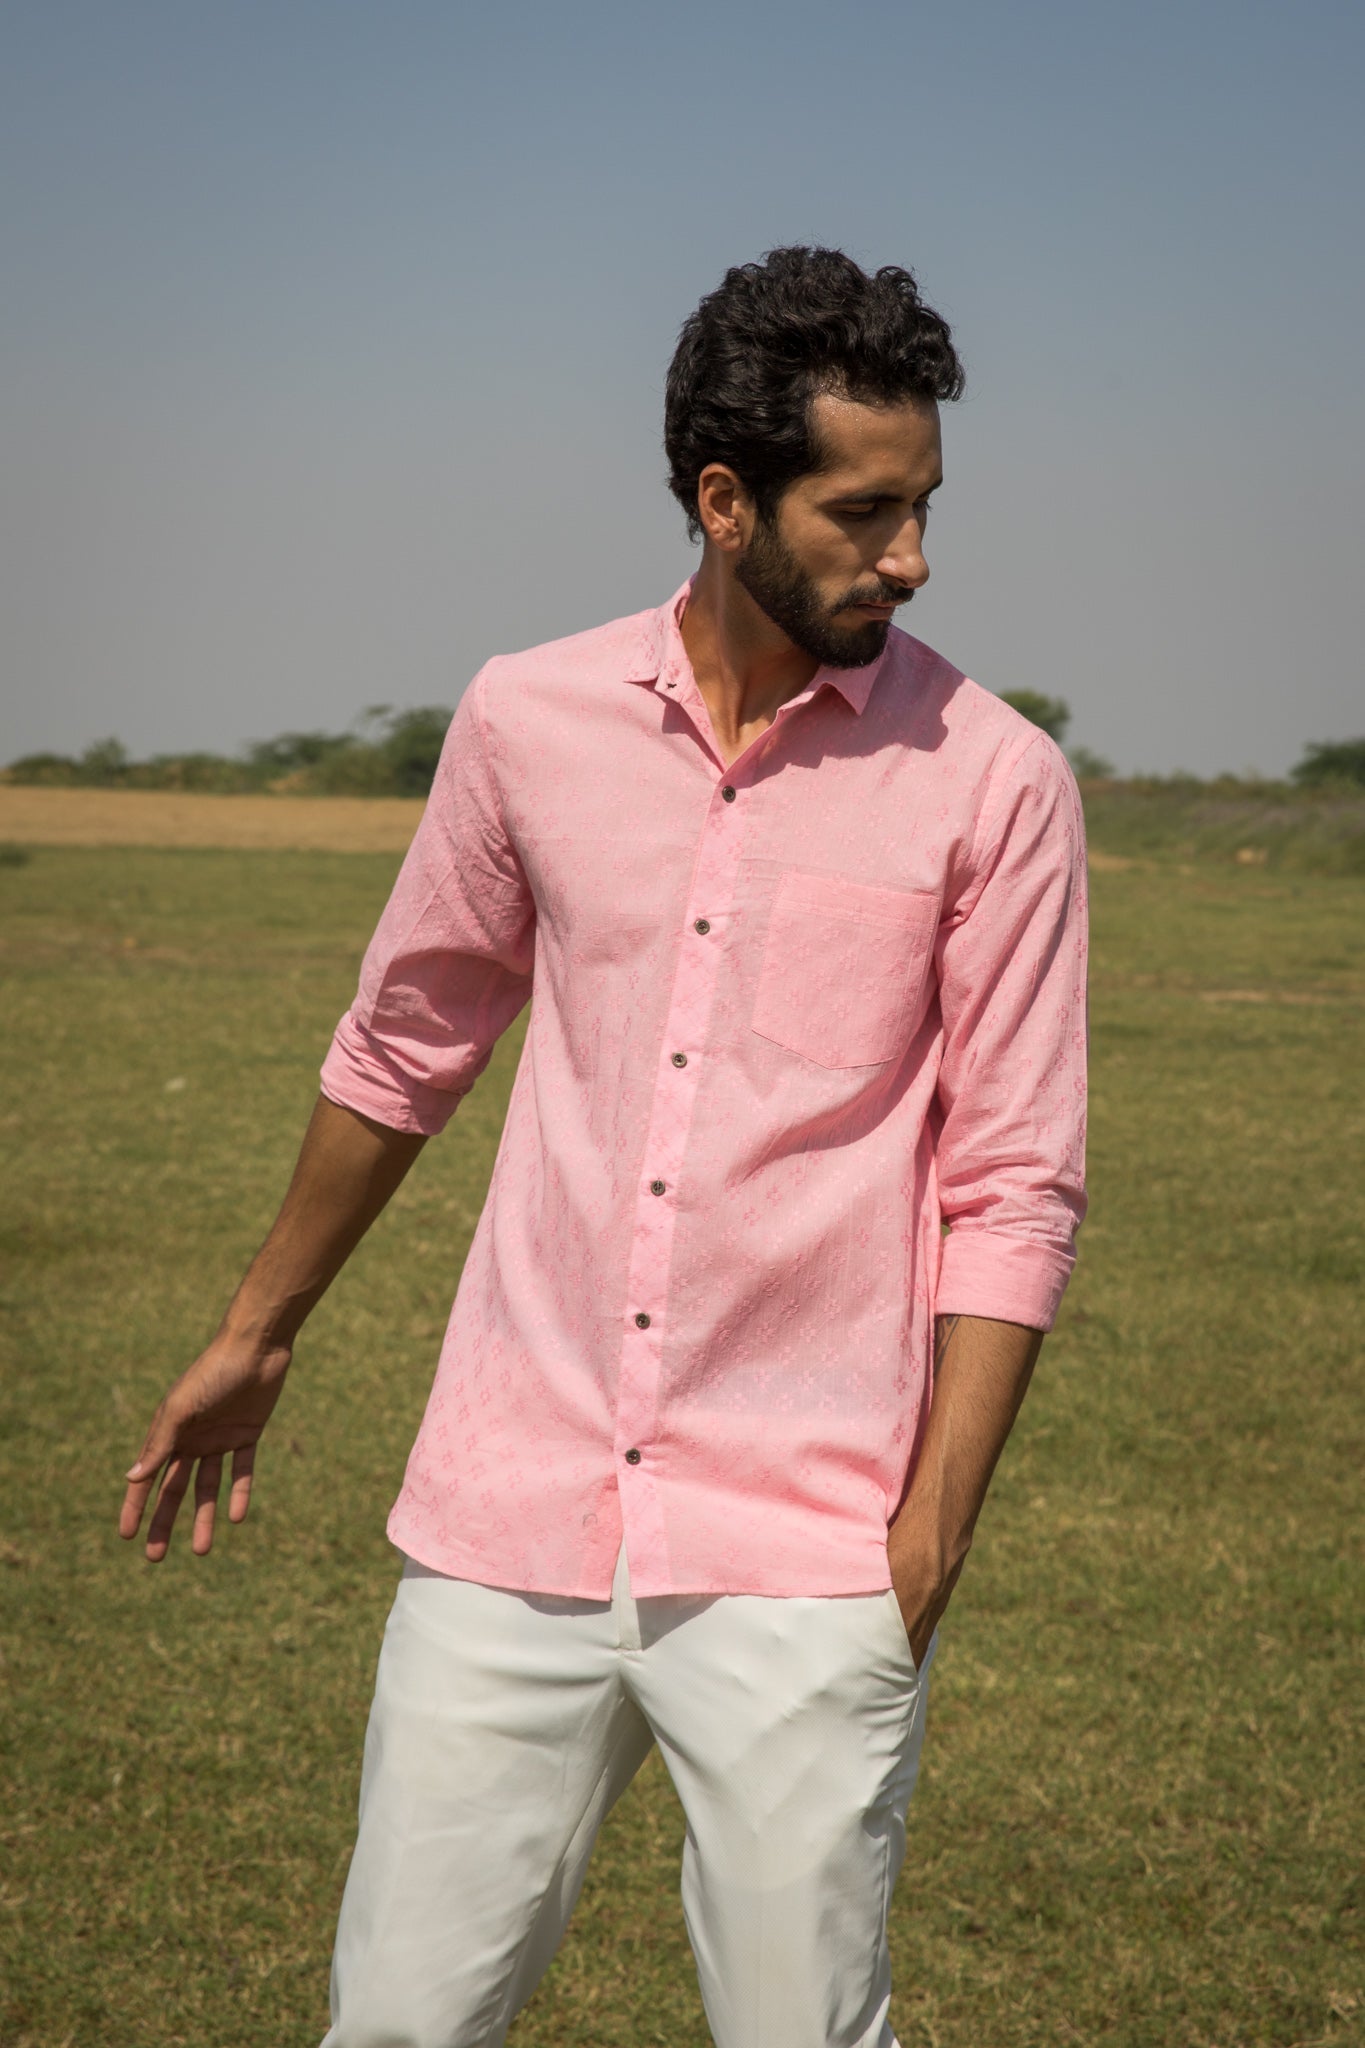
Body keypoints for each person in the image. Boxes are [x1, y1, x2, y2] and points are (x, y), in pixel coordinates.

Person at [120, 246, 1088, 2048]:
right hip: (509, 1515)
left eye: (925, 507)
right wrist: (258, 1332)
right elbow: (406, 1044)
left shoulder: (994, 781)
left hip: (808, 1548)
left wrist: (925, 1546)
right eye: (861, 512)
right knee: (396, 2027)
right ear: (725, 502)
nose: (910, 558)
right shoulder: (525, 719)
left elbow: (1012, 1181)